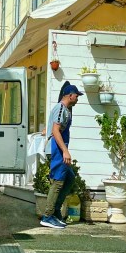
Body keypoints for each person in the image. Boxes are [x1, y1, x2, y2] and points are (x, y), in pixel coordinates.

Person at [40, 82, 83, 229]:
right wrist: (65, 150)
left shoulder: (65, 110)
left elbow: (52, 127)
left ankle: (56, 211)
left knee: (69, 178)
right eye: (76, 96)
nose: (77, 99)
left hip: (59, 148)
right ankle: (47, 216)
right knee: (57, 182)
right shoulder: (60, 109)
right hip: (57, 149)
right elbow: (56, 130)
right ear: (70, 96)